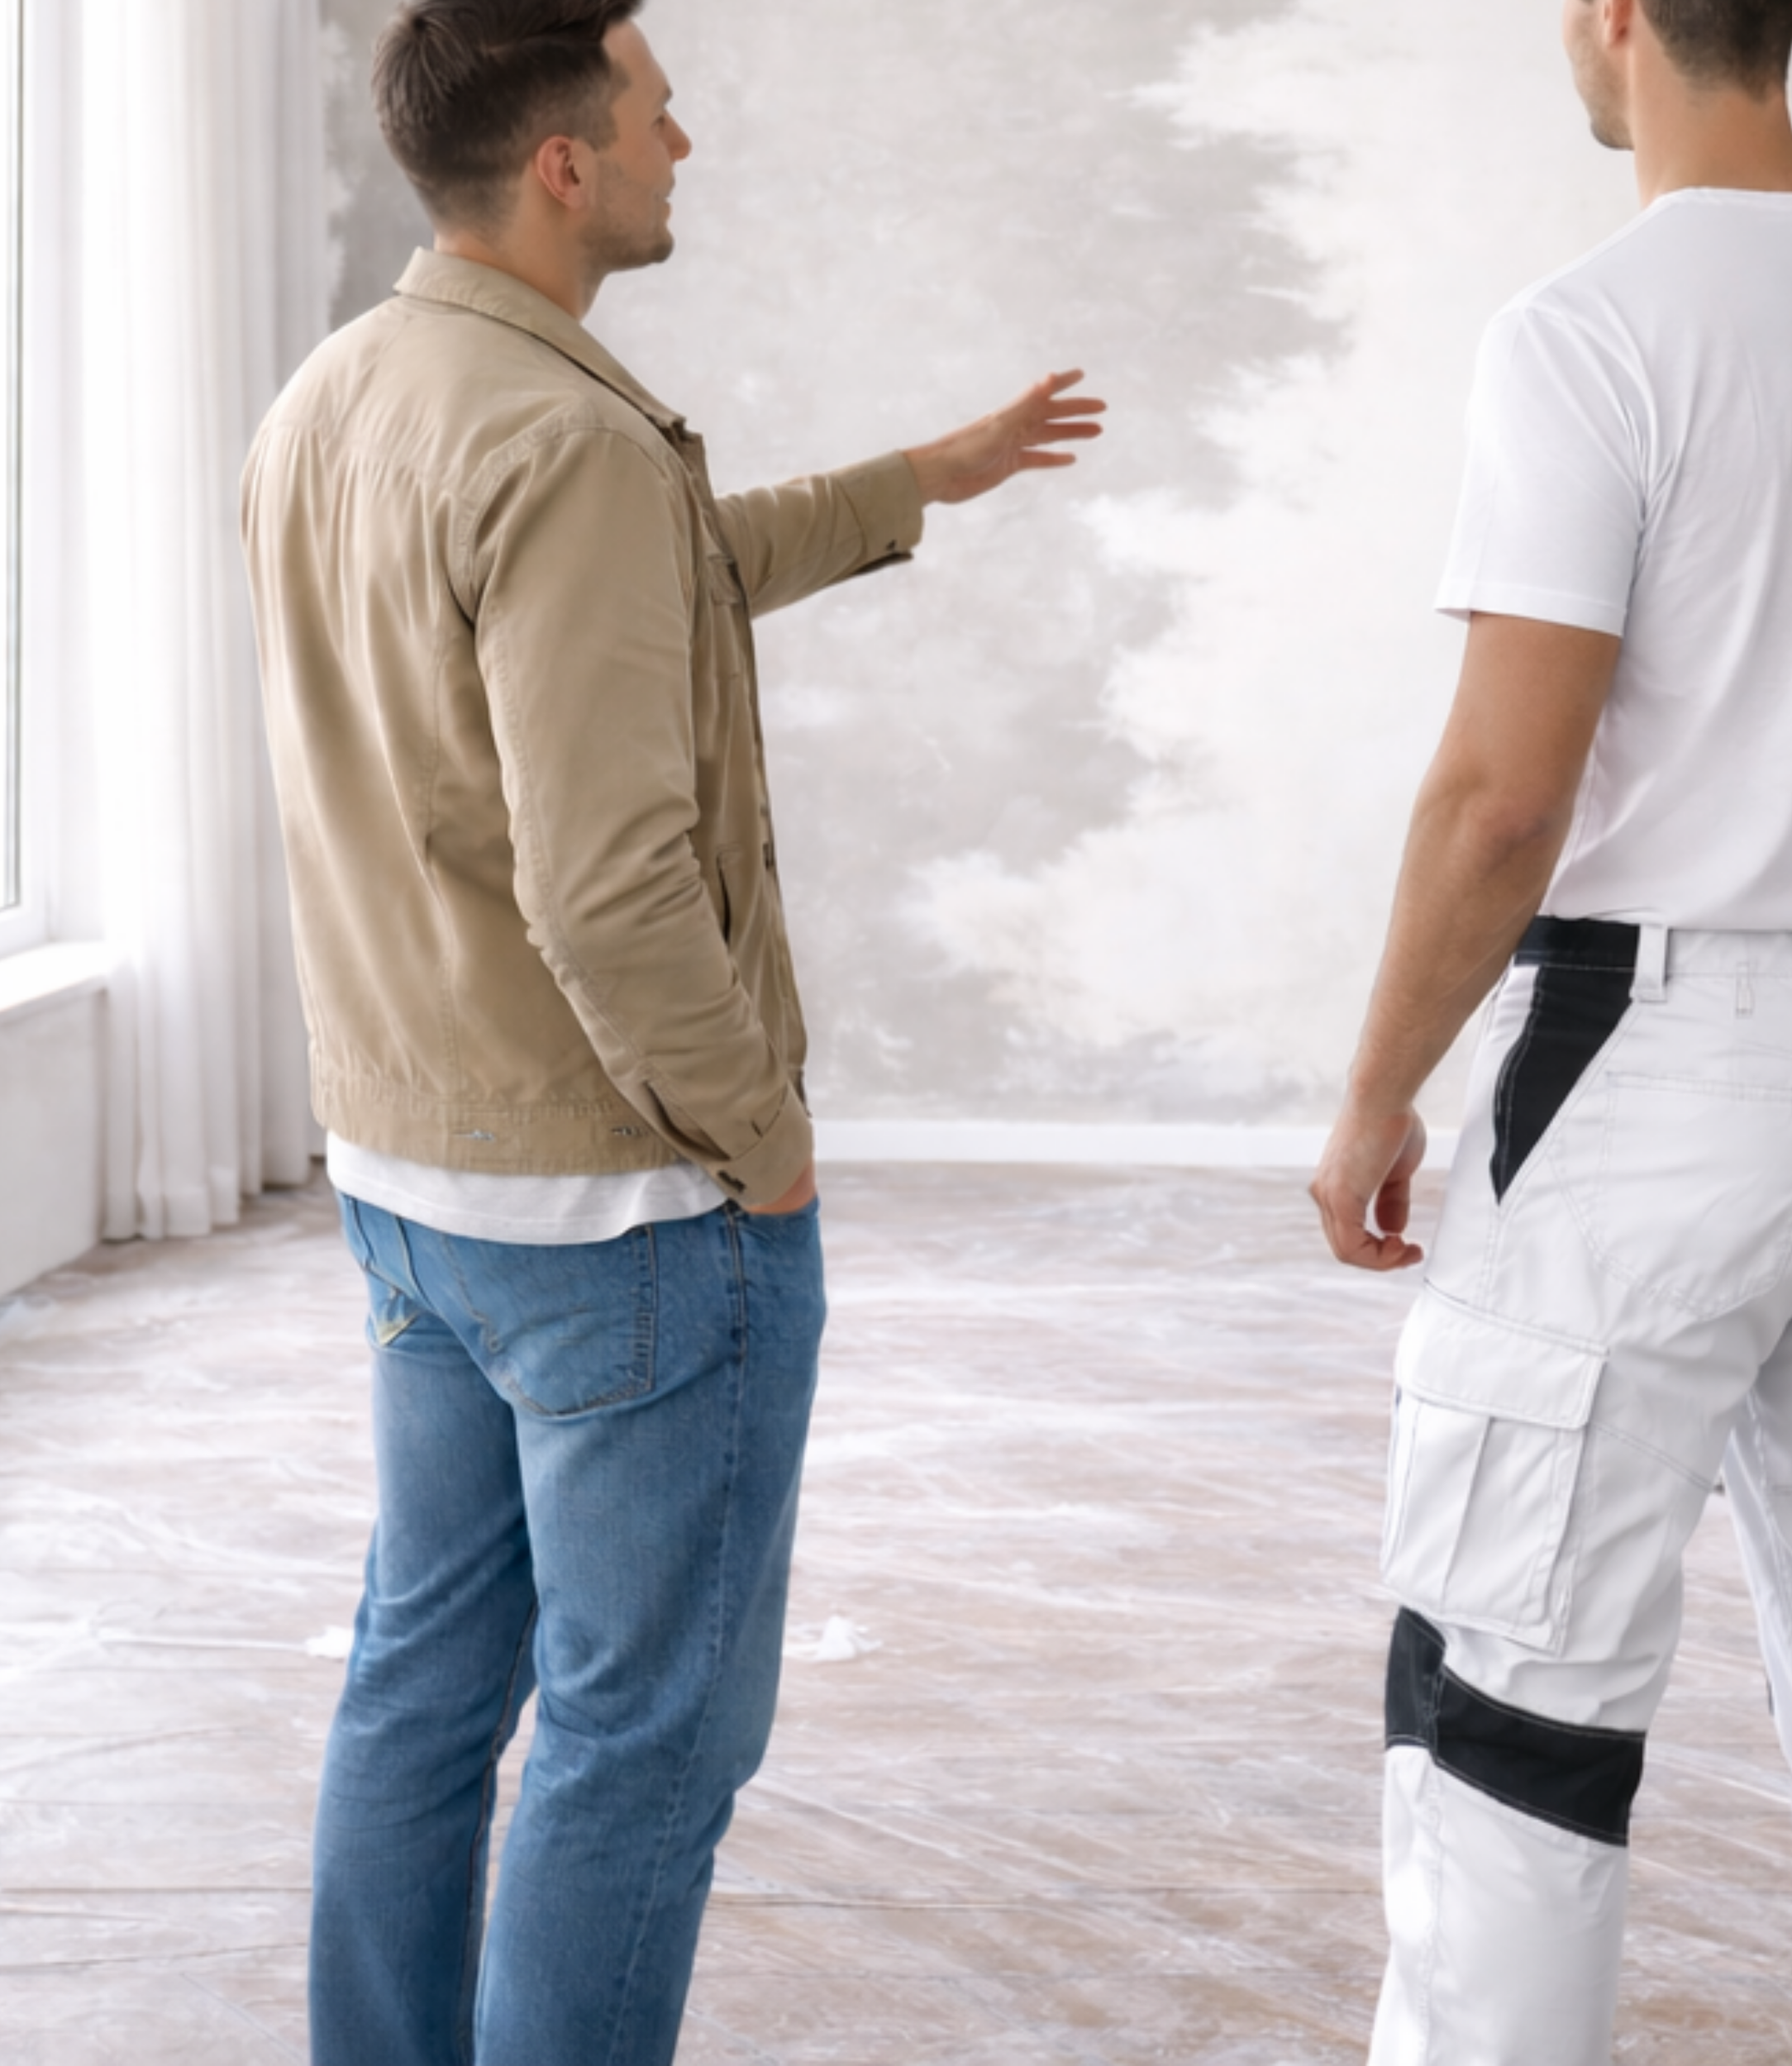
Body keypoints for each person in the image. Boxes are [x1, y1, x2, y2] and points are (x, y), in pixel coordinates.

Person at [240, 4, 1102, 2061]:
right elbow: (609, 886)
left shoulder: (337, 398)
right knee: (638, 1744)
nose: (682, 143)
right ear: (563, 163)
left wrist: (922, 478)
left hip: (405, 1178)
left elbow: (660, 582)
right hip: (621, 1215)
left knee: (420, 1685)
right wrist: (759, 1143)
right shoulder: (566, 440)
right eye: (653, 112)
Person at [1310, 0, 1792, 2056]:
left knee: (1509, 1714)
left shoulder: (1594, 328)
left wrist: (1370, 1094)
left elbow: (1503, 792)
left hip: (1656, 1065)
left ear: (1613, 19)